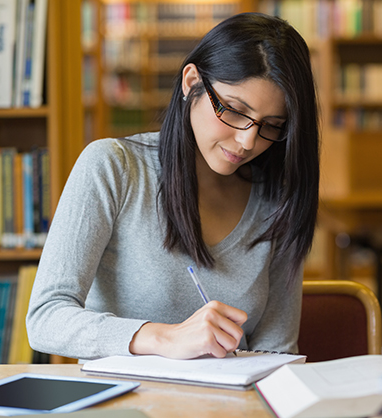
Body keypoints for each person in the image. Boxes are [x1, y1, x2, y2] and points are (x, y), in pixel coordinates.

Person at [26, 12, 319, 361]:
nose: (246, 141)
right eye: (234, 110)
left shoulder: (278, 199)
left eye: (271, 125)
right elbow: (45, 318)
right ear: (191, 81)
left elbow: (276, 352)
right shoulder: (113, 167)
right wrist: (163, 338)